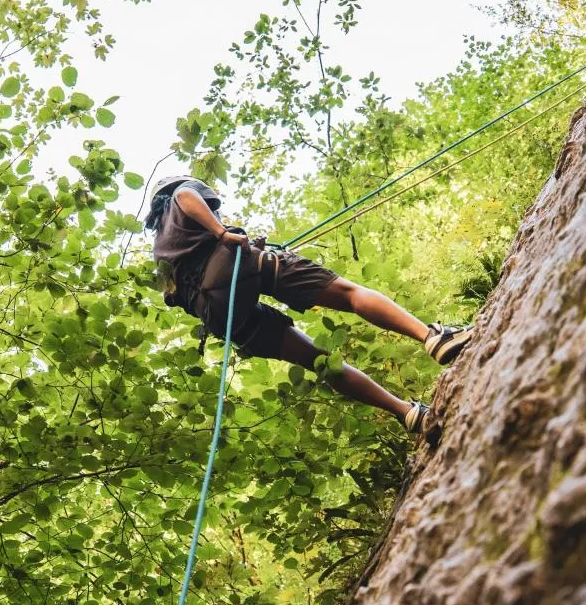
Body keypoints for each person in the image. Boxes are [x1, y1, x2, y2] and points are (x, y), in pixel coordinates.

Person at [146, 175, 473, 433]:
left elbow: (176, 294)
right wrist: (221, 232)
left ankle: (407, 414)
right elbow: (185, 198)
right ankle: (432, 336)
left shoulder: (161, 253)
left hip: (220, 318)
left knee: (322, 363)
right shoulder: (179, 196)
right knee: (348, 295)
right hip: (230, 269)